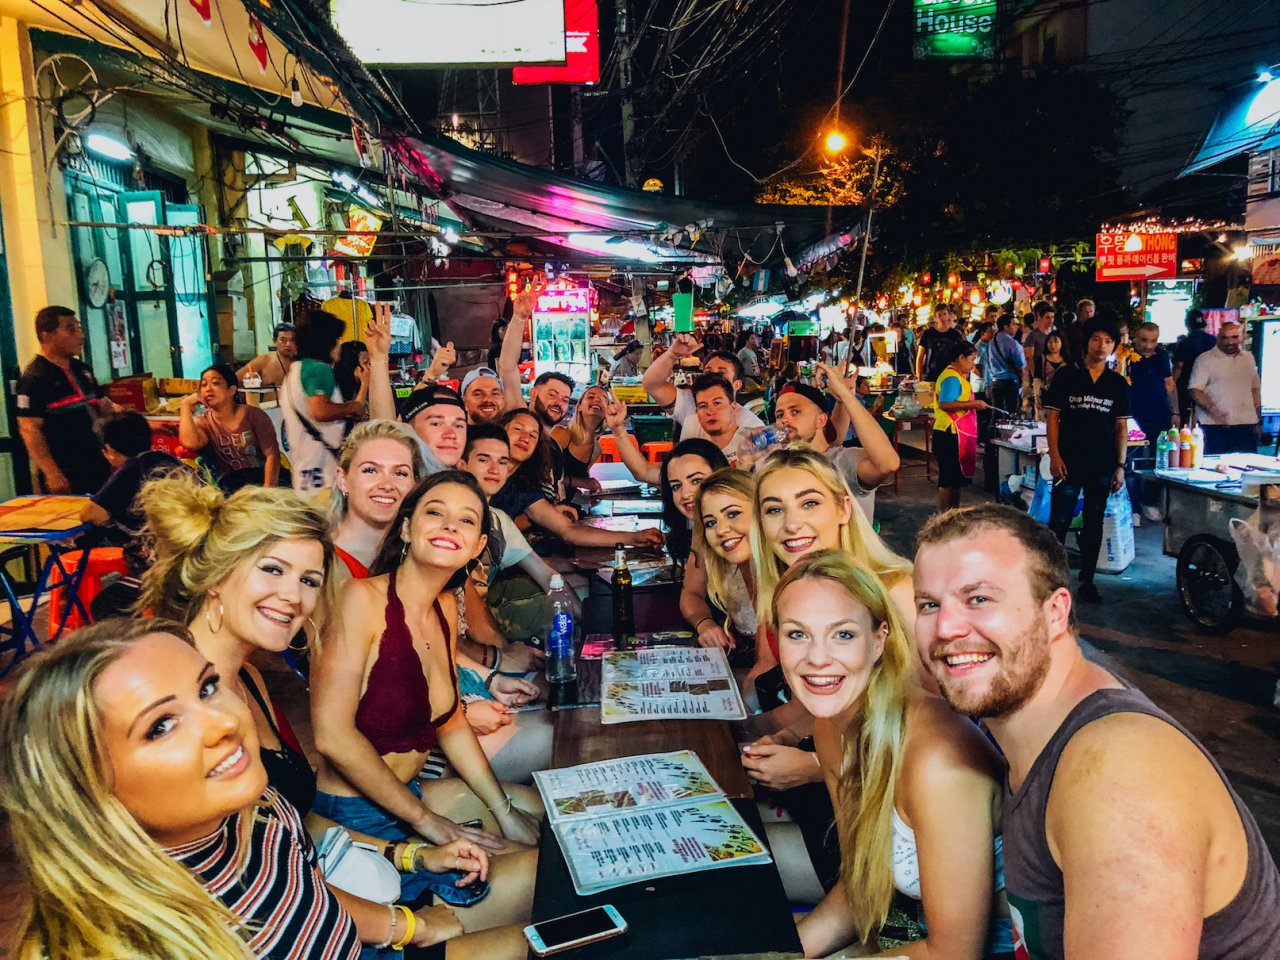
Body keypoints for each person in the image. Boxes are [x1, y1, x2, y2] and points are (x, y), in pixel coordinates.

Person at [0, 620, 525, 959]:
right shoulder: (134, 936)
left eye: (208, 688)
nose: (222, 723)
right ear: (85, 788)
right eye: (161, 726)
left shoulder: (256, 806)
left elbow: (305, 893)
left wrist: (409, 925)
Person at [913, 504, 1280, 960]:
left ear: (1055, 613)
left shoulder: (1116, 773)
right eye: (929, 604)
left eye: (979, 599)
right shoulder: (1035, 729)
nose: (946, 628)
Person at [310, 471, 542, 925]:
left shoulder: (441, 609)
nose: (449, 526)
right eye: (435, 513)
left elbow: (451, 720)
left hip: (410, 795)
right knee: (543, 866)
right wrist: (428, 822)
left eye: (466, 520)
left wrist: (503, 810)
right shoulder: (357, 601)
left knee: (540, 816)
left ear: (477, 547)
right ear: (406, 529)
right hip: (358, 817)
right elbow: (332, 736)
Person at [778, 551, 1013, 959]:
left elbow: (954, 953)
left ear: (878, 640)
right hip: (910, 929)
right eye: (797, 634)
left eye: (843, 634)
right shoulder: (829, 727)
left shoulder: (936, 759)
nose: (817, 658)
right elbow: (860, 887)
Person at [1043, 315, 1131, 605]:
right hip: (1068, 462)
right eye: (1096, 339)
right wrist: (1054, 455)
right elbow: (1052, 417)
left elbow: (1121, 426)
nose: (1101, 346)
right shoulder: (1067, 376)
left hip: (1102, 465)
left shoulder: (1117, 383)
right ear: (1087, 342)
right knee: (1059, 521)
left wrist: (1120, 465)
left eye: (1108, 341)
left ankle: (1088, 580)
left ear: (1114, 346)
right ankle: (1052, 581)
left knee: (1094, 523)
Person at [492, 409, 663, 552]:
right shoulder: (477, 473)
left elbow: (569, 531)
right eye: (518, 429)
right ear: (500, 431)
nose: (525, 438)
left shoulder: (523, 487)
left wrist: (634, 537)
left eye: (533, 435)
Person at [78, 412, 186, 618]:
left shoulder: (132, 468)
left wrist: (110, 520)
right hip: (192, 557)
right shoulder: (167, 460)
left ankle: (138, 646)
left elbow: (89, 514)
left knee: (105, 606)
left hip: (166, 567)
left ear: (109, 449)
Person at [772, 370, 900, 521]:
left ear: (820, 420)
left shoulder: (842, 463)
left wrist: (846, 396)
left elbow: (888, 464)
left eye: (795, 411)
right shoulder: (779, 463)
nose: (784, 420)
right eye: (779, 415)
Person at [16, 305, 113, 493]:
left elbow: (103, 405)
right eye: (70, 329)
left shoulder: (82, 369)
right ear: (47, 336)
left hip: (97, 460)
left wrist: (145, 423)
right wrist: (52, 473)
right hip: (66, 469)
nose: (80, 336)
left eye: (79, 328)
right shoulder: (35, 377)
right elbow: (29, 429)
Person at [281, 310, 369, 492]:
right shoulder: (319, 370)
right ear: (325, 342)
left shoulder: (294, 371)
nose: (339, 345)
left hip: (304, 467)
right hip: (323, 469)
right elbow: (320, 411)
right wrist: (352, 406)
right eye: (336, 340)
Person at [331, 420, 426, 579]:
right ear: (343, 479)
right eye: (370, 470)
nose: (387, 485)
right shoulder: (318, 558)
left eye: (400, 473)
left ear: (414, 484)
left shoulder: (423, 554)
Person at [691, 468, 763, 671]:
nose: (721, 529)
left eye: (733, 514)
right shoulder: (728, 567)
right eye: (711, 522)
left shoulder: (787, 574)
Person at [179, 363, 281, 491]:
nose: (208, 389)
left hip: (263, 483)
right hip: (232, 490)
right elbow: (191, 443)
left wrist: (267, 492)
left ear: (231, 390)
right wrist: (185, 405)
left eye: (215, 383)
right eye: (204, 385)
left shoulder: (254, 415)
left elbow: (272, 455)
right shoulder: (204, 422)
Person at [640, 332, 764, 436]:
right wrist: (673, 354)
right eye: (708, 372)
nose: (713, 376)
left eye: (721, 373)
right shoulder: (690, 405)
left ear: (737, 384)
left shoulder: (750, 425)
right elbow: (652, 384)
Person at [1127, 321, 1179, 520]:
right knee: (1131, 463)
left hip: (1160, 415)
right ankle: (1134, 507)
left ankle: (1149, 501)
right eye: (1144, 340)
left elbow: (1169, 384)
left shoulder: (1162, 356)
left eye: (1153, 341)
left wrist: (1175, 412)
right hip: (1134, 416)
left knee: (1160, 462)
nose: (1148, 346)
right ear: (1135, 338)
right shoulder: (1126, 356)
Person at [1188, 321, 1262, 455]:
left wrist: (1258, 419)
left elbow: (1255, 389)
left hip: (1246, 424)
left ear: (1243, 336)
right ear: (1217, 337)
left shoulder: (1248, 358)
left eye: (1234, 337)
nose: (1229, 342)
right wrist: (1216, 412)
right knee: (1214, 468)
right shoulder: (1205, 359)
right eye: (1224, 337)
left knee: (1247, 468)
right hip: (1214, 426)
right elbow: (1194, 390)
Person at [934, 339, 988, 512]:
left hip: (956, 433)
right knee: (948, 480)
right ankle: (944, 519)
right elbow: (945, 404)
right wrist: (973, 405)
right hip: (948, 432)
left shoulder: (957, 377)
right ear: (960, 358)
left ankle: (953, 515)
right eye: (971, 359)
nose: (973, 365)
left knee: (955, 480)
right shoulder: (951, 377)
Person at [688, 372, 754, 464]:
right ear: (697, 412)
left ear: (733, 407)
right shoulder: (695, 453)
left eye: (717, 403)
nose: (710, 411)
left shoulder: (754, 442)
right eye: (703, 406)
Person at [552, 384, 609, 486]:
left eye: (603, 399)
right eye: (591, 397)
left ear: (607, 411)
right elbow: (541, 475)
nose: (596, 400)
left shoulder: (596, 449)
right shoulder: (561, 434)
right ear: (579, 407)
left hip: (573, 500)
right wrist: (582, 482)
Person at [1171, 308, 1216, 424]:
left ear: (1187, 325)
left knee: (1185, 422)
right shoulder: (1214, 341)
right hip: (1210, 388)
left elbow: (1178, 367)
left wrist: (1171, 386)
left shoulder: (1185, 343)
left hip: (1187, 388)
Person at [985, 313, 1025, 416]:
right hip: (1010, 382)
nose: (1016, 327)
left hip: (995, 382)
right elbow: (1020, 364)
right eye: (1013, 324)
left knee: (996, 414)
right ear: (1006, 327)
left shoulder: (991, 342)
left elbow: (987, 364)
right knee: (1009, 414)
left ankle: (995, 432)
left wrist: (988, 383)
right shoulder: (1012, 343)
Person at [915, 303, 965, 383]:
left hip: (950, 376)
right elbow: (920, 356)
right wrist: (918, 376)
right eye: (939, 315)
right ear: (935, 317)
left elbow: (961, 357)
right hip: (930, 376)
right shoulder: (928, 334)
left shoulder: (955, 335)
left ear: (949, 315)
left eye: (945, 314)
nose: (942, 317)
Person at [238, 322, 298, 389]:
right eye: (283, 340)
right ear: (274, 341)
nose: (288, 344)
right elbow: (236, 380)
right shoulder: (264, 361)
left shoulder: (302, 362)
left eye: (292, 340)